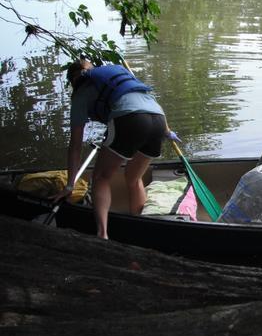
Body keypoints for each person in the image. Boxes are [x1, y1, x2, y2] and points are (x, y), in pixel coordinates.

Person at [52, 59, 178, 239]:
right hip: (159, 119)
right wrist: (167, 132)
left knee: (101, 178)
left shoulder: (81, 93)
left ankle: (102, 234)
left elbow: (75, 146)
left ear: (73, 81)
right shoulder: (117, 75)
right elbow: (148, 99)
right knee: (134, 178)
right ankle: (141, 226)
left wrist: (70, 185)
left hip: (130, 119)